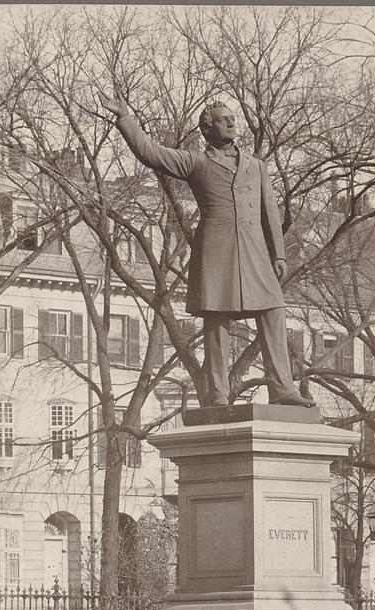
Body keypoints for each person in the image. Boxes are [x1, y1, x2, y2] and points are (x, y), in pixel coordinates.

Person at [99, 90, 314, 407]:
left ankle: (282, 388)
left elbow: (270, 213)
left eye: (232, 118)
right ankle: (217, 394)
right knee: (217, 320)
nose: (230, 121)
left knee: (273, 309)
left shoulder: (257, 167)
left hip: (255, 252)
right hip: (216, 251)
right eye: (222, 119)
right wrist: (125, 119)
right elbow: (151, 153)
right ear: (207, 128)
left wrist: (278, 254)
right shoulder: (196, 161)